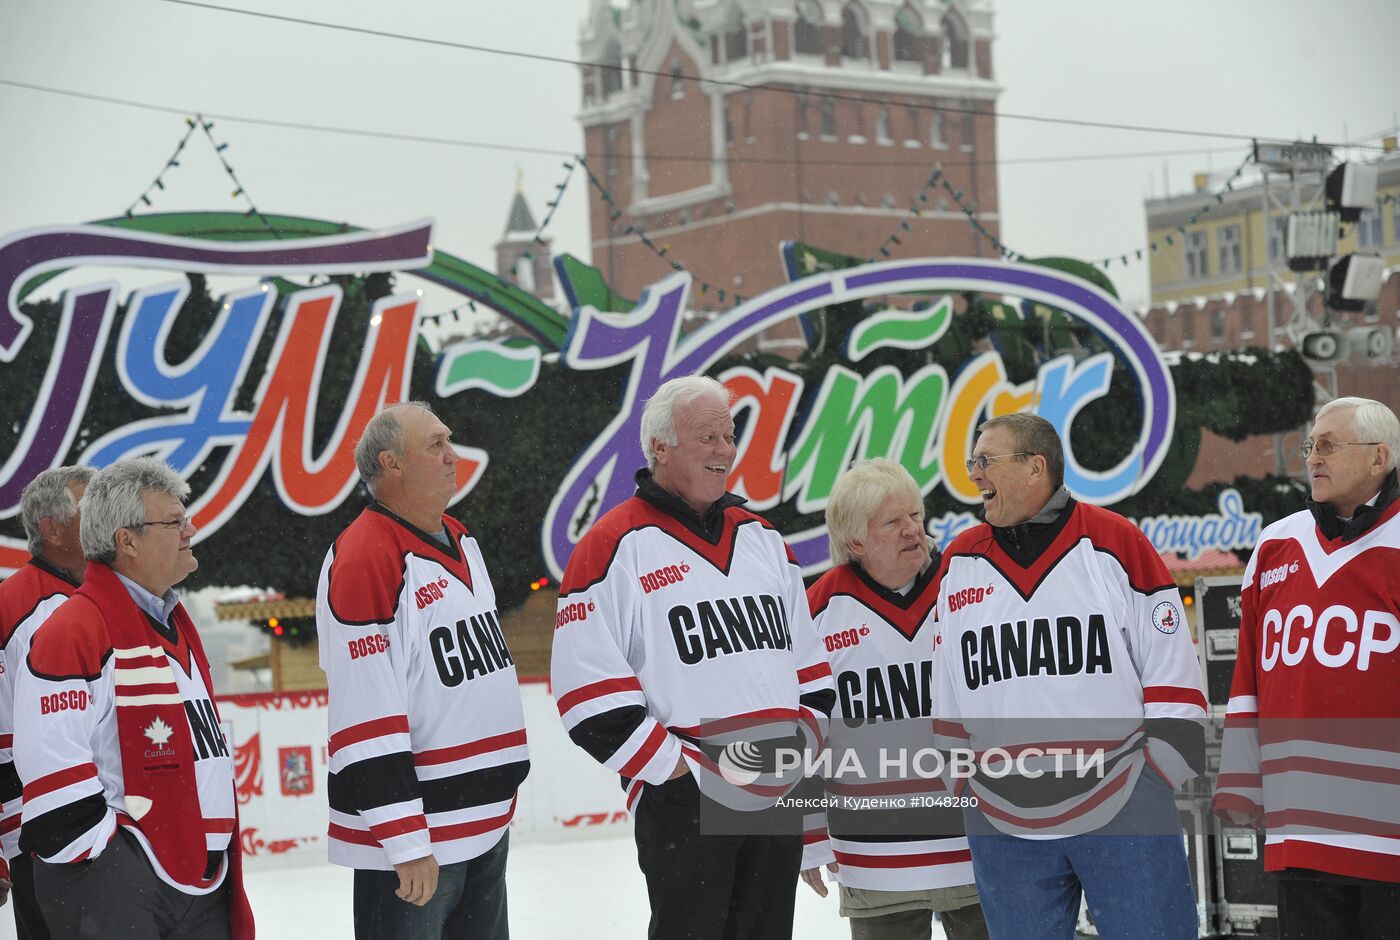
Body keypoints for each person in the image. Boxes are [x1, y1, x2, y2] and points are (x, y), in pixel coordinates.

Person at [551, 375, 836, 940]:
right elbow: (586, 696)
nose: (725, 450)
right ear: (659, 447)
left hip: (773, 787)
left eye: (729, 435)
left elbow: (811, 673)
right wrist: (677, 774)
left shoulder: (763, 539)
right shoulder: (611, 546)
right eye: (707, 436)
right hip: (687, 796)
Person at [932, 413, 1206, 939]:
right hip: (1002, 819)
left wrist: (1156, 776)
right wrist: (961, 781)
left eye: (985, 460)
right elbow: (945, 688)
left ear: (1036, 468)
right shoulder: (959, 560)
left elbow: (1173, 673)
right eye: (973, 462)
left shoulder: (1117, 542)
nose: (974, 474)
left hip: (1122, 803)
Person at [13, 457, 253, 939]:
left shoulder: (171, 618)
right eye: (173, 521)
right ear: (126, 541)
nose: (189, 528)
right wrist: (113, 858)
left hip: (196, 878)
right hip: (122, 879)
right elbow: (51, 763)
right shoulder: (75, 627)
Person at [317, 401, 529, 940]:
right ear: (391, 464)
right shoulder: (366, 556)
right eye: (435, 444)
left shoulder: (461, 537)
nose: (452, 456)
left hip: (482, 826)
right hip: (419, 843)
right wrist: (404, 840)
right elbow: (364, 711)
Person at [1213, 396, 1400, 938]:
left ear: (1379, 458)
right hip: (1301, 824)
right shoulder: (1276, 544)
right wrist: (1240, 780)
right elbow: (1247, 679)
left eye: (1330, 445)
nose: (1313, 457)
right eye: (1310, 446)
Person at [800, 459, 989, 940]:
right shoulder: (816, 611)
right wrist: (809, 830)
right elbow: (801, 728)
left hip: (980, 845)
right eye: (893, 521)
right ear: (855, 541)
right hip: (875, 860)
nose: (913, 530)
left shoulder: (971, 587)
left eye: (915, 516)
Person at [0, 466, 94, 939]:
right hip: (49, 829)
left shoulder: (92, 594)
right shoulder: (25, 607)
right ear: (52, 530)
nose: (104, 514)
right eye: (88, 505)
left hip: (88, 821)